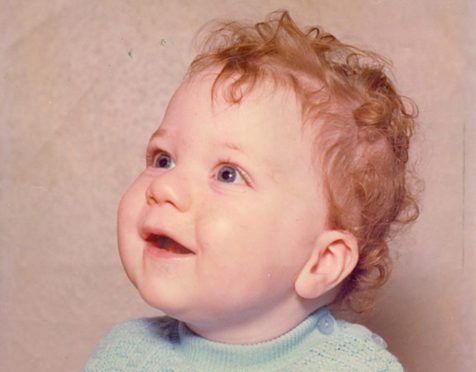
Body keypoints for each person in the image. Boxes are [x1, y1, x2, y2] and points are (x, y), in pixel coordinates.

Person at [85, 10, 418, 371]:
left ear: (322, 261)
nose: (164, 187)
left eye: (227, 174)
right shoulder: (124, 356)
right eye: (163, 159)